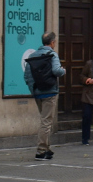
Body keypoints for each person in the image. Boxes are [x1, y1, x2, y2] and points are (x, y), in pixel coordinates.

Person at [24, 31, 66, 160]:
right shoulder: (52, 54)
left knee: (45, 120)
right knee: (46, 122)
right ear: (52, 42)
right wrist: (63, 70)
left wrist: (34, 90)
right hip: (50, 92)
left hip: (38, 93)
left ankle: (47, 148)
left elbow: (27, 77)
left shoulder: (33, 55)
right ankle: (41, 150)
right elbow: (56, 71)